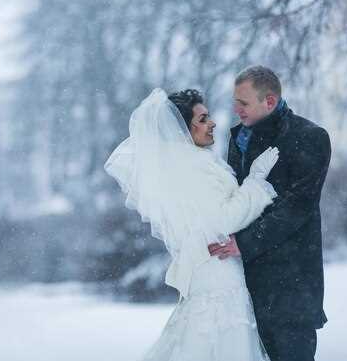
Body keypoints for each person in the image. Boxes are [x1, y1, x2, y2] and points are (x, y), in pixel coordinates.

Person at [105, 88, 279, 361]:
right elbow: (224, 219)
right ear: (183, 130)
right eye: (203, 119)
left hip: (215, 273)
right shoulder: (191, 169)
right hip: (217, 278)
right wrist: (256, 181)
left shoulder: (192, 163)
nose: (212, 124)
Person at [208, 65, 332, 361]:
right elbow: (237, 199)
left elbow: (298, 207)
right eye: (235, 101)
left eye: (244, 102)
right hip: (247, 289)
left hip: (292, 287)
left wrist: (244, 242)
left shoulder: (311, 137)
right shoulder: (238, 137)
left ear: (270, 101)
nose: (236, 109)